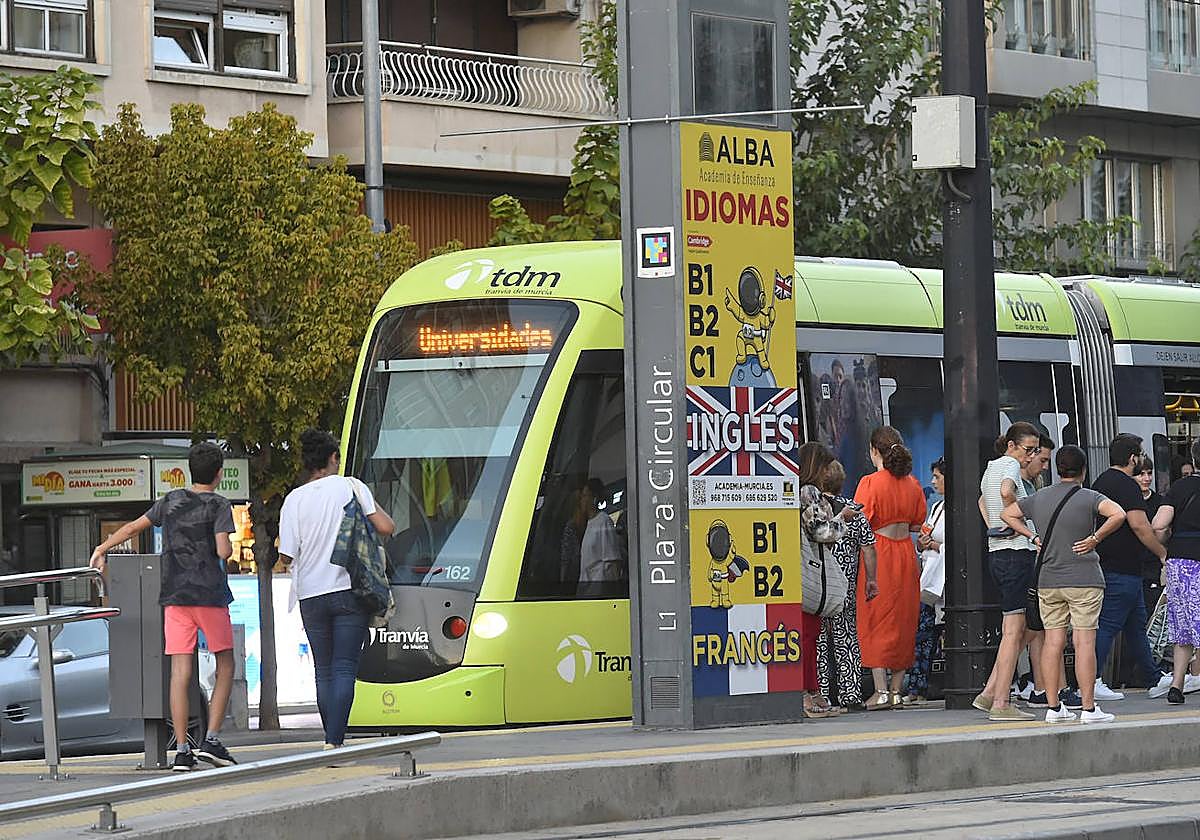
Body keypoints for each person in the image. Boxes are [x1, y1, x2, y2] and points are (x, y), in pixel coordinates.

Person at [89, 442, 239, 771]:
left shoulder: (170, 500)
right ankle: (211, 740)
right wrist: (225, 541)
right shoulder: (219, 505)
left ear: (189, 471)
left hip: (175, 598)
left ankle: (182, 749)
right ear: (219, 474)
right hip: (210, 597)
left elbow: (132, 528)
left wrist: (102, 548)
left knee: (179, 674)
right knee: (225, 664)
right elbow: (224, 552)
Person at [278, 429, 395, 750]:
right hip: (348, 590)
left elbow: (286, 555)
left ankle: (331, 739)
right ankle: (334, 740)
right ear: (333, 458)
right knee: (345, 667)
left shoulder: (293, 500)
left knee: (323, 670)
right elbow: (386, 527)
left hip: (310, 596)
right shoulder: (351, 486)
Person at [1002, 445, 1126, 724]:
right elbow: (1118, 514)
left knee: (1052, 642)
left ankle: (1054, 707)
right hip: (1085, 580)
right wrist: (1095, 538)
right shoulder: (1090, 496)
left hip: (1048, 580)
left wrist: (1033, 537)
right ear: (1083, 470)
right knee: (1084, 643)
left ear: (1058, 469)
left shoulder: (1038, 497)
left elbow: (1007, 514)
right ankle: (1089, 709)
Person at [974, 421, 1043, 721]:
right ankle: (1001, 701)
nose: (1029, 457)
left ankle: (991, 692)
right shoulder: (1011, 466)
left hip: (997, 554)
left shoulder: (990, 467)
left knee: (1017, 629)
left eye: (1034, 451)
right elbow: (1006, 493)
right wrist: (1020, 523)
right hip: (1017, 554)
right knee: (1014, 631)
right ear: (1012, 446)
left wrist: (995, 526)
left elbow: (981, 500)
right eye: (1028, 450)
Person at [854, 426, 926, 710]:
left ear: (875, 450)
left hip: (879, 552)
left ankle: (880, 690)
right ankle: (897, 689)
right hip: (905, 553)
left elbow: (860, 520)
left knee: (875, 617)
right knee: (903, 619)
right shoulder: (913, 484)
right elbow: (917, 522)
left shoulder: (870, 482)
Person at [1091, 434, 1167, 695]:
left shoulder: (1101, 481)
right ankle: (1091, 681)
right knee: (1109, 624)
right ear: (1132, 458)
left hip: (1114, 565)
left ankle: (1153, 678)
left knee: (1136, 625)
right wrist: (1161, 552)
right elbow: (1139, 525)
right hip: (1122, 567)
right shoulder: (1127, 486)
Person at [815, 458, 878, 712]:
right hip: (845, 586)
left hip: (817, 585)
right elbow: (869, 548)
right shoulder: (855, 511)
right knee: (847, 636)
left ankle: (820, 692)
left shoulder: (815, 511)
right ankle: (851, 693)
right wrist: (871, 580)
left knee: (819, 639)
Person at [1152, 438, 1200, 705]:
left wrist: (1169, 538)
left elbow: (1158, 524)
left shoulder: (1179, 488)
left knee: (1183, 627)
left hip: (1179, 562)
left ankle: (1177, 684)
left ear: (1193, 460)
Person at [906, 458, 947, 705]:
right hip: (930, 577)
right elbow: (926, 535)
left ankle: (934, 683)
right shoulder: (937, 508)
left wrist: (934, 545)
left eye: (938, 477)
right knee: (922, 633)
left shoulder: (959, 509)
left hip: (943, 579)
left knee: (939, 632)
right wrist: (923, 544)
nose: (932, 481)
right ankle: (917, 686)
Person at [577, 478, 623, 596]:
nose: (582, 500)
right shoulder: (587, 523)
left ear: (594, 498)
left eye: (585, 495)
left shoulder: (603, 521)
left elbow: (612, 561)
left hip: (597, 592)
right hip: (585, 590)